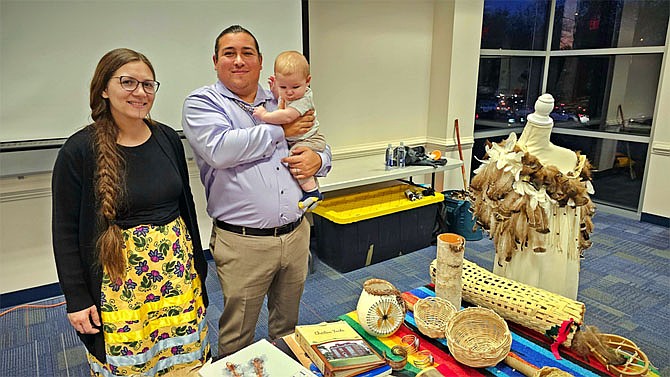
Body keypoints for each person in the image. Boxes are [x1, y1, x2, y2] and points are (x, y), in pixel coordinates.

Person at [51, 48, 210, 376]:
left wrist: (198, 270)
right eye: (128, 82)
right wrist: (77, 299)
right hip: (121, 287)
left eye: (148, 85)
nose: (140, 92)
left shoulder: (167, 137)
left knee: (184, 365)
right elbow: (64, 231)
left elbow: (187, 208)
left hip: (176, 280)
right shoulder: (79, 151)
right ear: (104, 89)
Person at [181, 25, 332, 356]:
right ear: (215, 60)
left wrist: (317, 160)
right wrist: (281, 130)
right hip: (243, 243)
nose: (238, 60)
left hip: (296, 234)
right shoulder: (202, 103)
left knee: (288, 328)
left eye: (247, 53)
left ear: (261, 62)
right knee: (238, 334)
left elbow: (321, 144)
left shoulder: (282, 97)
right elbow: (222, 150)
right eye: (229, 53)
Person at [469, 93, 595, 299]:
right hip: (521, 249)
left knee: (554, 292)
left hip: (560, 247)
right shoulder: (506, 163)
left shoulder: (572, 161)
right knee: (518, 291)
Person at [253, 50, 326, 210]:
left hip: (310, 139)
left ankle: (312, 192)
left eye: (295, 86)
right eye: (283, 86)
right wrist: (276, 92)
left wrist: (264, 115)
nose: (289, 92)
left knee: (295, 158)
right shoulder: (289, 94)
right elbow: (283, 98)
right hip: (302, 139)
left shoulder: (303, 99)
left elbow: (286, 117)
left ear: (308, 81)